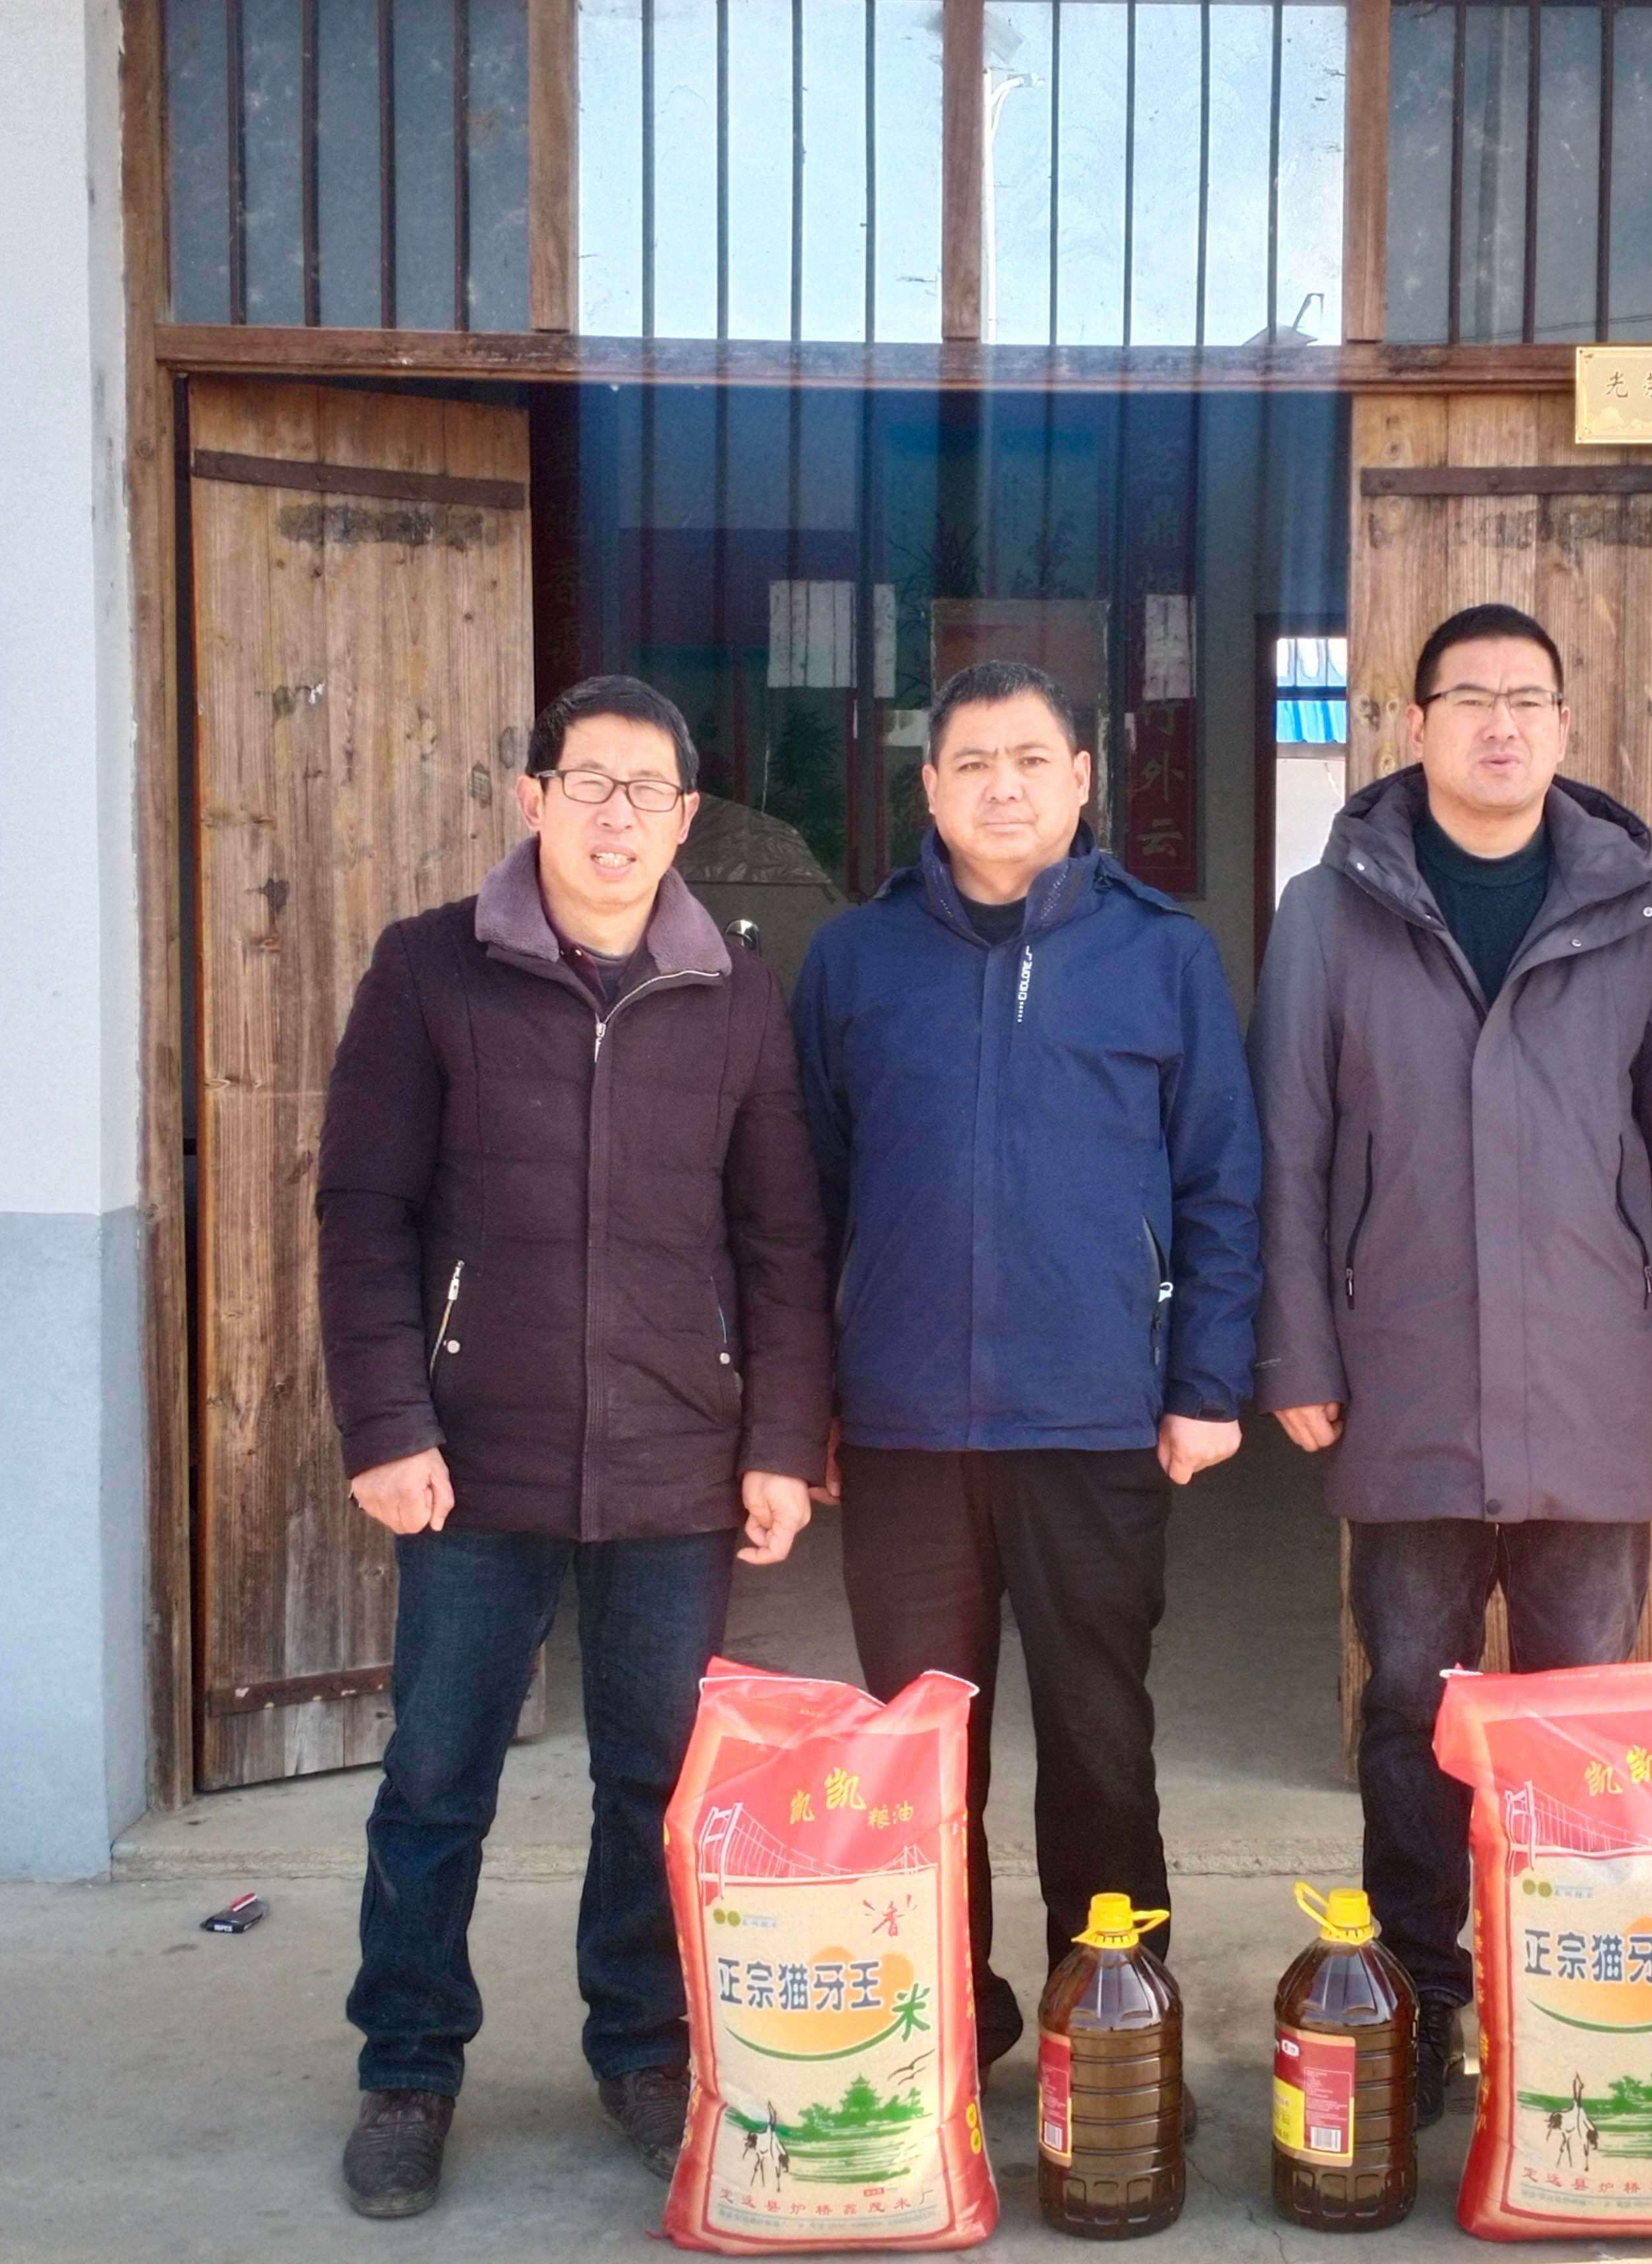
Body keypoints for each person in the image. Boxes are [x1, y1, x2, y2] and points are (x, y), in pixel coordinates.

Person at [316, 674, 831, 2218]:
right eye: (590, 784)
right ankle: (409, 2068)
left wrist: (780, 1441)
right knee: (437, 1776)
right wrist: (387, 1421)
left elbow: (781, 1238)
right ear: (533, 795)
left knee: (654, 1779)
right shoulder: (431, 969)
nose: (618, 818)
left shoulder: (733, 988)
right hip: (473, 1457)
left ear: (688, 817)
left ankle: (645, 2050)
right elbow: (364, 1212)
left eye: (649, 792)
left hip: (678, 1453)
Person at [1249, 603, 1652, 2124]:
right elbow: (1288, 1145)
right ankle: (1418, 1995)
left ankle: (1563, 2006)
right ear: (1414, 726)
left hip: (1594, 1377)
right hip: (1401, 1371)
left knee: (1576, 1720)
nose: (1501, 725)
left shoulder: (1638, 906)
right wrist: (1295, 1344)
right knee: (1410, 1704)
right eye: (1470, 698)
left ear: (1565, 725)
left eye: (1528, 698)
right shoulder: (1330, 911)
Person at [790, 658, 1262, 2079]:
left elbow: (1223, 1180)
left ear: (1082, 779)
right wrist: (805, 1408)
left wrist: (1206, 1383)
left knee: (1101, 1740)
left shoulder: (1161, 955)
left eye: (1032, 759)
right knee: (921, 1753)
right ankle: (941, 2022)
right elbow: (801, 1201)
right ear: (928, 790)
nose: (1004, 786)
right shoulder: (855, 961)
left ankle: (1109, 2024)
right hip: (904, 1429)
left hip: (1092, 1417)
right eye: (973, 763)